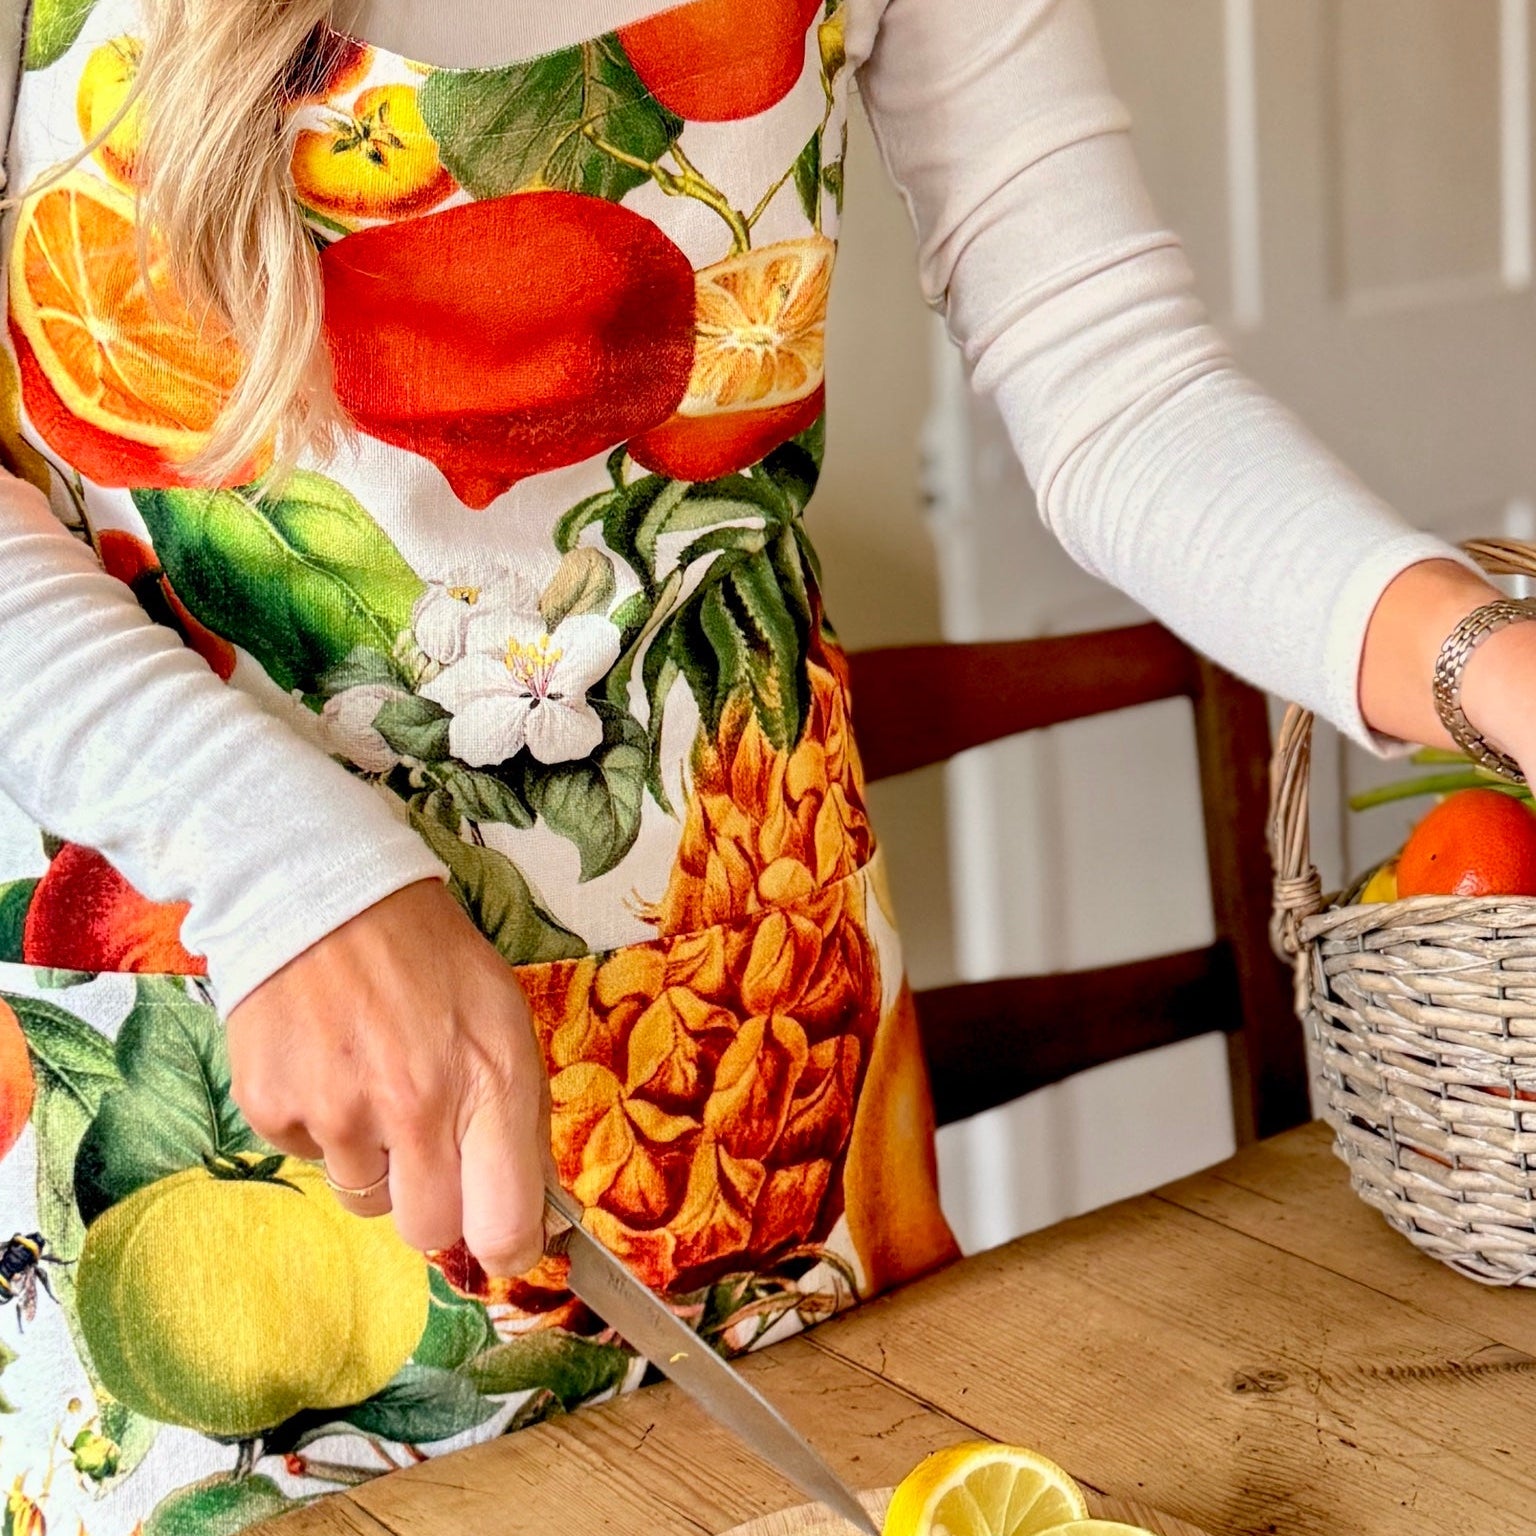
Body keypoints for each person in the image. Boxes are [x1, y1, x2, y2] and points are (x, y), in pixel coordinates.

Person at [0, 0, 1527, 1528]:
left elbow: (1115, 382)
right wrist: (289, 874)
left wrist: (1490, 669)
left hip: (759, 1092)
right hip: (221, 1070)